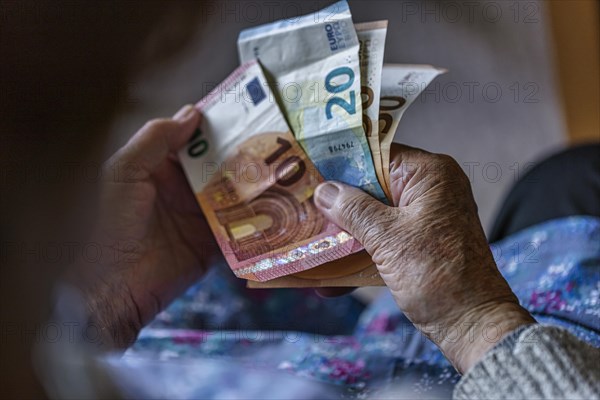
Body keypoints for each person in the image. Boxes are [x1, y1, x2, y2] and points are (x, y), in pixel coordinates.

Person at [40, 106, 598, 399]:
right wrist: (473, 318)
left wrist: (112, 309)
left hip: (347, 335)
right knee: (574, 177)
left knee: (564, 177)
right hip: (490, 362)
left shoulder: (67, 348)